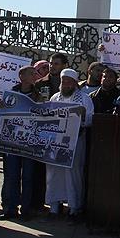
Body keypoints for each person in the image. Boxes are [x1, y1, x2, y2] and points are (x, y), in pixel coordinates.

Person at [45, 68, 93, 223]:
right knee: (54, 174)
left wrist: (82, 115)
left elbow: (90, 120)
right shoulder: (55, 97)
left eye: (68, 82)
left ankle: (74, 209)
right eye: (63, 81)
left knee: (73, 174)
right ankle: (54, 208)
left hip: (75, 143)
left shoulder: (84, 99)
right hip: (56, 143)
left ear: (74, 83)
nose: (65, 84)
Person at [0, 65, 42, 221]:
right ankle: (10, 209)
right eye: (31, 73)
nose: (34, 76)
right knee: (12, 176)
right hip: (12, 142)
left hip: (29, 143)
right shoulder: (11, 94)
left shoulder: (38, 95)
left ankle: (25, 210)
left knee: (28, 177)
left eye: (35, 73)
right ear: (21, 76)